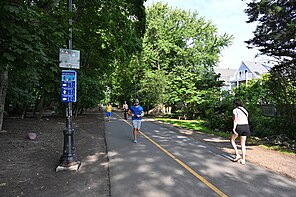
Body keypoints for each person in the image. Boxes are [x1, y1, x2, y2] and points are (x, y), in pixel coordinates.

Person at [230, 99, 251, 165]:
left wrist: (234, 128)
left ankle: (237, 154)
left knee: (232, 140)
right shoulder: (245, 110)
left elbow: (235, 120)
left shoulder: (235, 110)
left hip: (239, 126)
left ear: (235, 104)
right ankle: (243, 159)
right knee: (243, 144)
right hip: (246, 126)